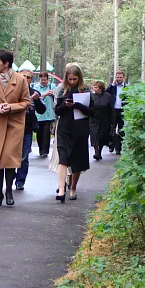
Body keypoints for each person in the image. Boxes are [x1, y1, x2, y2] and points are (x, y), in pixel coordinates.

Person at [0, 50, 31, 206]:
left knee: (10, 159)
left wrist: (10, 107)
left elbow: (26, 102)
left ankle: (9, 191)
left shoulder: (21, 80)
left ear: (6, 63)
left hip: (14, 124)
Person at [54, 64, 91, 202]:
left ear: (79, 78)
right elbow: (57, 110)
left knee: (77, 161)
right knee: (63, 159)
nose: (72, 81)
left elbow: (91, 111)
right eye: (70, 79)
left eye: (75, 79)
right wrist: (65, 105)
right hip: (64, 128)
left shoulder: (85, 89)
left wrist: (78, 105)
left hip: (80, 129)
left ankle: (73, 187)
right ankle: (61, 190)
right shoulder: (62, 89)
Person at [15, 67, 47, 191]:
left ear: (31, 79)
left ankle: (20, 181)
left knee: (24, 157)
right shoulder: (12, 91)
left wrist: (37, 100)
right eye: (23, 76)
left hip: (27, 130)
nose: (25, 79)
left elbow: (42, 110)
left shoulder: (35, 93)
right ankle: (10, 178)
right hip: (13, 128)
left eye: (28, 77)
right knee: (12, 155)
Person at [88, 80, 115, 160]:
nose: (95, 89)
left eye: (96, 87)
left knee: (102, 137)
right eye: (94, 87)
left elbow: (111, 110)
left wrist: (113, 122)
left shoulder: (108, 96)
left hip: (105, 120)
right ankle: (96, 152)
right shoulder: (92, 96)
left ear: (101, 88)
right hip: (94, 120)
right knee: (94, 136)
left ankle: (99, 151)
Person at [33, 72, 57, 157]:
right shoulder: (36, 87)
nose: (43, 81)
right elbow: (37, 97)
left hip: (48, 113)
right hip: (39, 114)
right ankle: (40, 149)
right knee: (39, 133)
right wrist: (46, 93)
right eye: (42, 80)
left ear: (47, 79)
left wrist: (53, 94)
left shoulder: (52, 86)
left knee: (46, 133)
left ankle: (45, 151)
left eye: (45, 80)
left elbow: (56, 96)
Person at [106, 70, 127, 154]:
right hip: (113, 110)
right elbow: (106, 93)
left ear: (123, 78)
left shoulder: (127, 87)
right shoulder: (112, 87)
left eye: (120, 77)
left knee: (121, 130)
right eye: (117, 77)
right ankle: (111, 145)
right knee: (112, 128)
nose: (119, 79)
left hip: (122, 110)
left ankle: (119, 148)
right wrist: (111, 84)